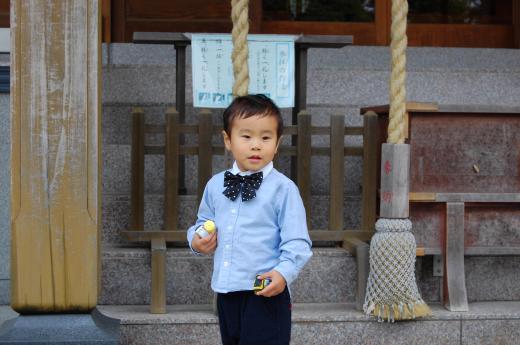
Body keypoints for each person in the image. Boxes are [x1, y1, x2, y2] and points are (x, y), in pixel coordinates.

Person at [187, 94, 313, 345]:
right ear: (228, 140)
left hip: (265, 290)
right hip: (226, 291)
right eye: (246, 136)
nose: (256, 145)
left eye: (266, 138)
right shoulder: (215, 185)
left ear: (277, 144)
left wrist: (282, 273)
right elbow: (203, 221)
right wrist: (196, 239)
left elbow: (298, 242)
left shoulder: (283, 189)